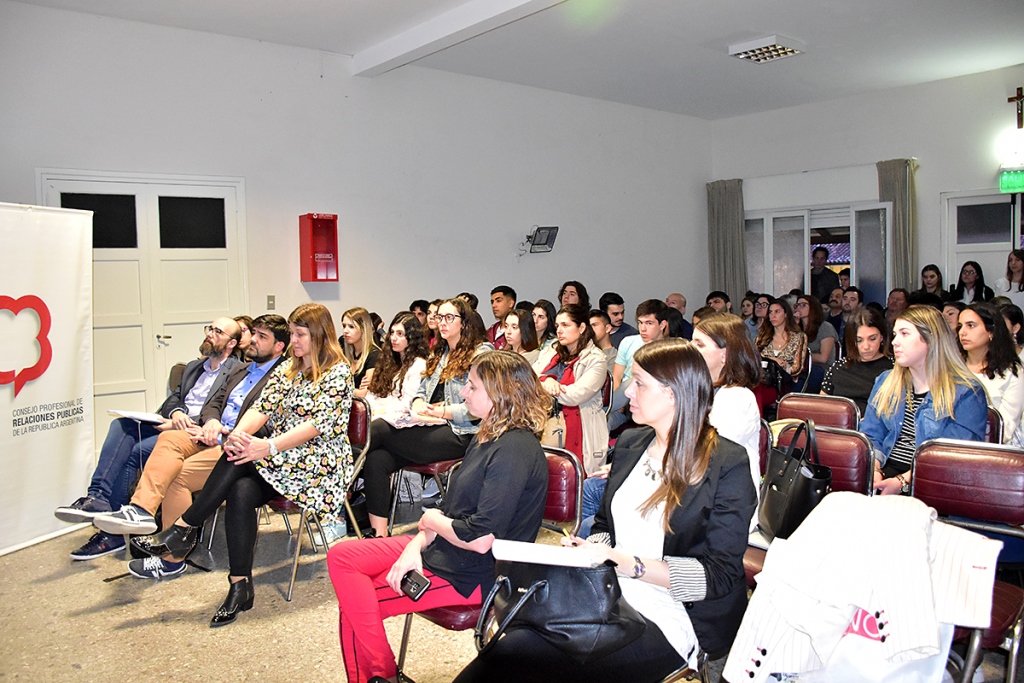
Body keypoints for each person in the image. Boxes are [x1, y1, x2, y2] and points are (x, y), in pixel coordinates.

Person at [454, 339, 757, 683]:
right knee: (500, 661)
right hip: (601, 594)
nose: (628, 391)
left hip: (670, 613)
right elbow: (604, 526)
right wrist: (590, 551)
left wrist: (626, 563)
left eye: (640, 383)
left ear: (673, 393)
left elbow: (717, 575)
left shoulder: (726, 464)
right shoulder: (632, 444)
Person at [327, 351, 550, 683]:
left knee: (356, 605)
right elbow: (449, 511)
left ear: (499, 392)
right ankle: (384, 676)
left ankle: (380, 676)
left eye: (472, 387)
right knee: (342, 556)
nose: (462, 393)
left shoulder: (514, 450)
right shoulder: (488, 435)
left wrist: (429, 523)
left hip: (474, 574)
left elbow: (479, 539)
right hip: (446, 549)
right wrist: (416, 543)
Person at [132, 303, 355, 626]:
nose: (293, 341)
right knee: (240, 489)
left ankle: (185, 528)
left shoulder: (338, 372)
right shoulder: (289, 369)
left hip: (317, 461)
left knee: (240, 461)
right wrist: (238, 435)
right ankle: (239, 585)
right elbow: (261, 409)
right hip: (280, 456)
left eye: (300, 334)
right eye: (291, 334)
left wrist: (267, 446)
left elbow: (319, 426)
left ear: (319, 335)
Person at [91, 314, 289, 578]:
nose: (251, 339)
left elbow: (274, 425)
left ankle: (171, 558)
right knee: (170, 439)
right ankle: (141, 511)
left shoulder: (285, 377)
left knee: (178, 477)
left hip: (243, 448)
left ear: (279, 347)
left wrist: (224, 431)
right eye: (253, 333)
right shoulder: (242, 369)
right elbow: (214, 402)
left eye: (261, 337)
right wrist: (211, 422)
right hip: (212, 436)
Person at [54, 318, 241, 560]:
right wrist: (177, 413)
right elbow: (173, 400)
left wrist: (186, 421)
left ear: (231, 343)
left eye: (218, 331)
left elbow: (223, 410)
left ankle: (115, 533)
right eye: (209, 329)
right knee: (122, 426)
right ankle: (97, 498)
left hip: (196, 433)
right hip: (175, 423)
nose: (210, 334)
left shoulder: (236, 372)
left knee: (135, 453)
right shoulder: (195, 367)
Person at [362, 297, 494, 537]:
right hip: (429, 424)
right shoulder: (440, 353)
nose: (441, 323)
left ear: (464, 322)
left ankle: (335, 461)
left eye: (448, 317)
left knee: (380, 429)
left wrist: (442, 412)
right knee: (377, 459)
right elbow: (421, 392)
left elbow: (481, 409)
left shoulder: (482, 354)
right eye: (439, 317)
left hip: (461, 432)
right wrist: (421, 404)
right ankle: (379, 536)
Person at [861, 305, 987, 496]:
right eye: (895, 334)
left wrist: (902, 483)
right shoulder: (885, 381)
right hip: (886, 473)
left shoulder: (966, 392)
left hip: (934, 484)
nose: (894, 342)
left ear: (930, 339)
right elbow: (872, 434)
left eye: (904, 334)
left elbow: (950, 458)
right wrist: (875, 471)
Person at [536, 304, 610, 474]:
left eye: (565, 325)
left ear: (582, 327)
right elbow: (529, 377)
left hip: (582, 428)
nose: (559, 331)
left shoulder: (597, 359)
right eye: (557, 326)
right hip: (546, 423)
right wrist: (546, 380)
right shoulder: (552, 351)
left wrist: (549, 386)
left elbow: (575, 395)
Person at [959, 303, 1024, 446]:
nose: (962, 332)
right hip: (949, 445)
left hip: (992, 450)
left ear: (991, 331)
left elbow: (1005, 430)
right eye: (960, 326)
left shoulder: (1012, 372)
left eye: (971, 326)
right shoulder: (952, 366)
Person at [608, 299, 670, 432]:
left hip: (653, 399)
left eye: (649, 323)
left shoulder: (670, 349)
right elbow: (617, 377)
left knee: (637, 380)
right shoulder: (628, 342)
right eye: (640, 323)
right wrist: (619, 403)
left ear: (662, 324)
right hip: (624, 398)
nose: (643, 328)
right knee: (600, 419)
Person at [820, 307, 894, 415]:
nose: (866, 346)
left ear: (882, 338)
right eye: (859, 340)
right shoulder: (838, 367)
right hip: (839, 426)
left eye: (872, 339)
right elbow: (822, 406)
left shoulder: (893, 368)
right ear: (852, 341)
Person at [365, 312, 430, 423]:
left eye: (400, 334)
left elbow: (408, 403)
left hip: (399, 420)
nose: (393, 338)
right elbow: (372, 393)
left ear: (411, 337)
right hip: (376, 415)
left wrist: (379, 413)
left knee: (375, 427)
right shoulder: (387, 361)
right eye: (392, 333)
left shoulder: (419, 365)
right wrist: (368, 410)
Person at [794, 294, 838, 392]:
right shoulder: (797, 328)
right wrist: (794, 327)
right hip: (800, 367)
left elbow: (823, 358)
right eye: (797, 305)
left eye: (803, 305)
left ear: (813, 307)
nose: (798, 308)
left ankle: (793, 399)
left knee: (801, 377)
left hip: (821, 369)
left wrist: (802, 356)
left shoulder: (825, 327)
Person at [756, 299, 806, 379]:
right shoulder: (763, 336)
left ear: (786, 314)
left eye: (777, 312)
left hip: (788, 380)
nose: (773, 315)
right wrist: (773, 360)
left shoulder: (798, 337)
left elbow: (797, 369)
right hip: (765, 378)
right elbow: (754, 358)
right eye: (770, 312)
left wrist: (785, 367)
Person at [340, 307, 381, 398]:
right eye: (344, 326)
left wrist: (341, 388)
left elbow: (364, 393)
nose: (345, 331)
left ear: (363, 329)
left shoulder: (374, 355)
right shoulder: (344, 353)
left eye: (351, 327)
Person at [487, 285, 517, 350]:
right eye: (492, 302)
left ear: (511, 303)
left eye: (498, 301)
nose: (494, 305)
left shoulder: (518, 332)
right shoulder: (490, 331)